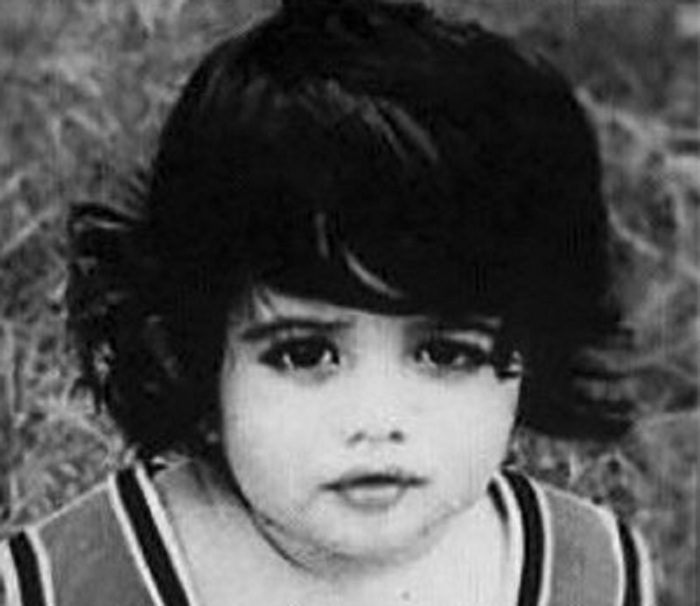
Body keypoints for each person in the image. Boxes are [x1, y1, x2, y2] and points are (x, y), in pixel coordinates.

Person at [0, 0, 656, 604]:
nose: (377, 419)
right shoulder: (66, 584)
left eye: (444, 352)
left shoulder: (593, 575)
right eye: (305, 353)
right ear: (193, 352)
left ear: (532, 347)